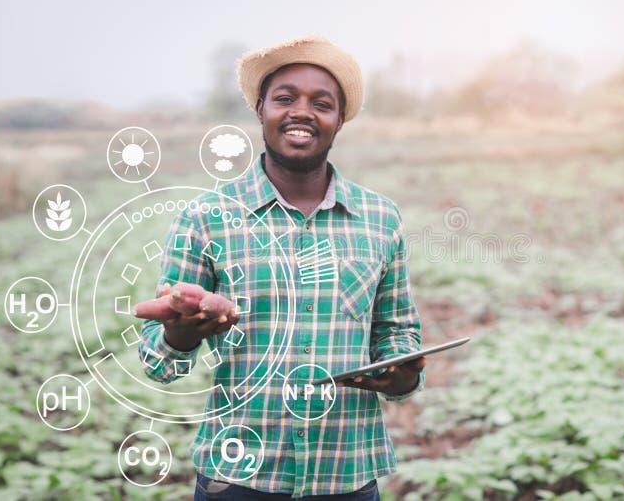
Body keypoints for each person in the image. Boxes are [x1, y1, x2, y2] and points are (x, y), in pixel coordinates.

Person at [137, 36, 425, 500]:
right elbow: (158, 362)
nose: (301, 112)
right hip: (239, 480)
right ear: (260, 110)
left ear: (339, 120)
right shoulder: (207, 218)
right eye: (285, 98)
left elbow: (397, 331)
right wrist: (182, 332)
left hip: (346, 477)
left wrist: (402, 373)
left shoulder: (380, 218)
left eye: (322, 103)